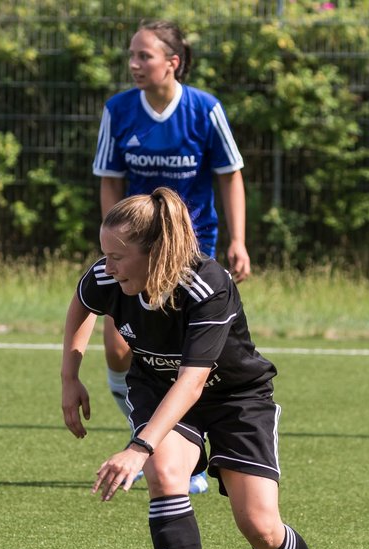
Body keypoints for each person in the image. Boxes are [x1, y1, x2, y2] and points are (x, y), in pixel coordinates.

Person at [60, 188, 334, 549]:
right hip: (159, 388)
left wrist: (137, 447)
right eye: (104, 255)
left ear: (154, 252)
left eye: (118, 256)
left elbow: (192, 383)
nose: (108, 266)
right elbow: (81, 304)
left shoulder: (206, 284)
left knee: (260, 526)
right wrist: (69, 377)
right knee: (166, 477)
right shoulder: (109, 275)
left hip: (235, 398)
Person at [92, 19, 250, 494]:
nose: (134, 64)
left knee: (191, 356)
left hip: (191, 249)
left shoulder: (204, 109)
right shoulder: (119, 111)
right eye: (132, 56)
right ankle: (150, 438)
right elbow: (110, 180)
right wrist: (113, 247)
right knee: (118, 345)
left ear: (172, 62)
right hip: (136, 253)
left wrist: (238, 241)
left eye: (144, 56)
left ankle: (189, 454)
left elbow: (229, 174)